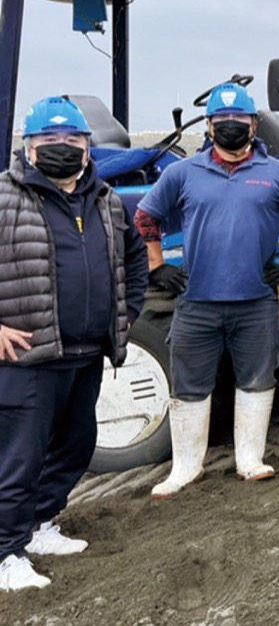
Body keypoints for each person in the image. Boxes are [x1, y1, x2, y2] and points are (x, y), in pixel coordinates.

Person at [0, 97, 148, 592]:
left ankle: (39, 525)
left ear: (89, 147)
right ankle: (5, 552)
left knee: (76, 446)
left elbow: (134, 261)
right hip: (28, 357)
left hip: (87, 352)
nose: (63, 148)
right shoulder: (5, 197)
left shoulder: (106, 200)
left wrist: (124, 317)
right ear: (29, 146)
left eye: (73, 140)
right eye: (50, 141)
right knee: (19, 459)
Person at [135, 82, 279, 498]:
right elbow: (145, 218)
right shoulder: (182, 174)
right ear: (209, 126)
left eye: (240, 120)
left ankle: (250, 460)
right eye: (222, 121)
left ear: (253, 125)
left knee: (257, 379)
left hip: (257, 302)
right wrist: (156, 266)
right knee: (189, 385)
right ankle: (186, 469)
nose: (231, 126)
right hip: (197, 302)